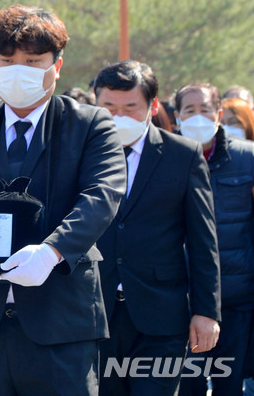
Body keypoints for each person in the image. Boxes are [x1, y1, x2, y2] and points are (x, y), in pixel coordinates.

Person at [0, 5, 126, 395]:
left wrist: (52, 252)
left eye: (32, 60)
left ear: (56, 66)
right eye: (6, 60)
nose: (17, 69)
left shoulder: (91, 124)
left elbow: (102, 194)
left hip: (60, 320)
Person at [93, 61, 221, 395]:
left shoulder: (182, 155)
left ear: (152, 106)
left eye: (130, 107)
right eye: (109, 107)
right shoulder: (82, 153)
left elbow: (202, 240)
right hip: (93, 313)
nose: (118, 116)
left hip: (160, 315)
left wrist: (206, 312)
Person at [174, 82, 254, 396]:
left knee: (230, 386)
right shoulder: (165, 159)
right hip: (180, 300)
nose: (197, 117)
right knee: (187, 386)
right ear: (176, 118)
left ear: (218, 114)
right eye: (189, 110)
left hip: (236, 298)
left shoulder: (247, 159)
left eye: (204, 109)